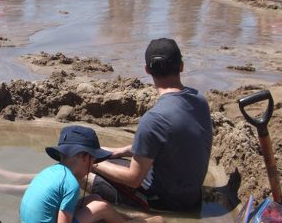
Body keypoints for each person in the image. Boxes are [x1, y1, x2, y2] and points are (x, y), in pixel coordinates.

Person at [0, 126, 164, 223]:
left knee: (94, 197)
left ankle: (129, 218)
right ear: (84, 158)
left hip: (29, 222)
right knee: (102, 206)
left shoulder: (53, 171)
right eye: (94, 159)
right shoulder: (70, 183)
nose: (95, 164)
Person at [90, 38, 212, 212]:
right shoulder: (199, 99)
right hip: (192, 195)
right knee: (110, 157)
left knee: (80, 171)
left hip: (165, 203)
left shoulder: (154, 119)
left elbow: (133, 179)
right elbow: (171, 141)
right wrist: (120, 151)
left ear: (146, 69)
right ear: (182, 66)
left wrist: (90, 163)